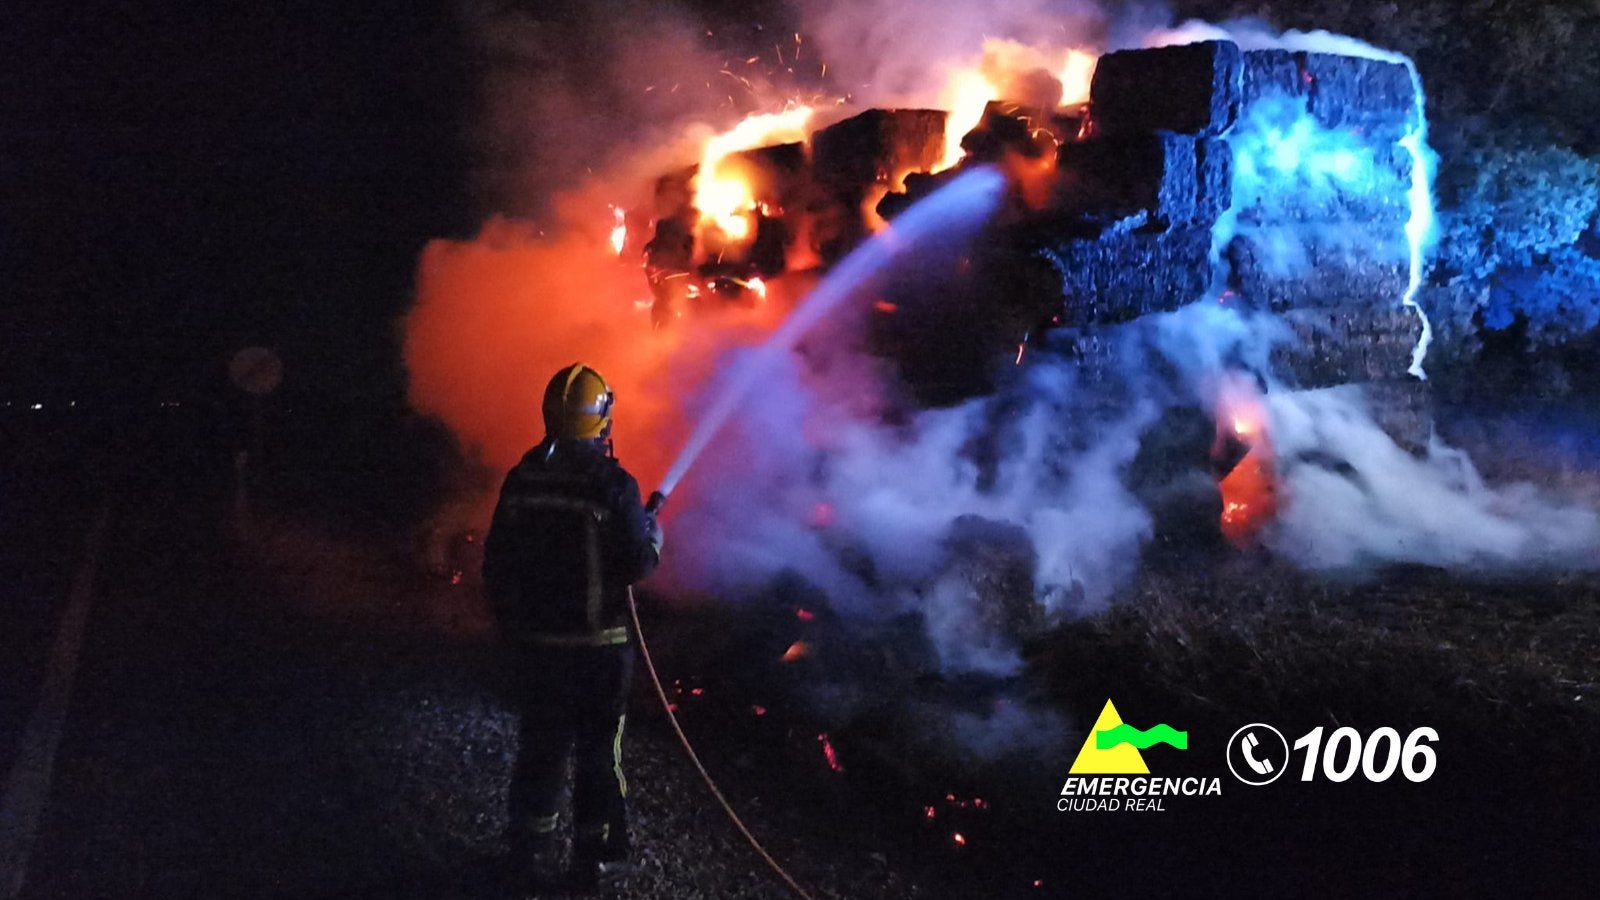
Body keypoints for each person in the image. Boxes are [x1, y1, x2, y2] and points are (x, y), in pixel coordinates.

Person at [483, 363, 663, 891]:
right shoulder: (613, 484)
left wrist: (512, 631)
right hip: (599, 654)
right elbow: (636, 565)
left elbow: (497, 565)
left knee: (539, 748)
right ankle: (592, 861)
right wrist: (656, 538)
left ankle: (525, 852)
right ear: (602, 417)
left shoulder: (522, 478)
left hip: (538, 650)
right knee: (596, 756)